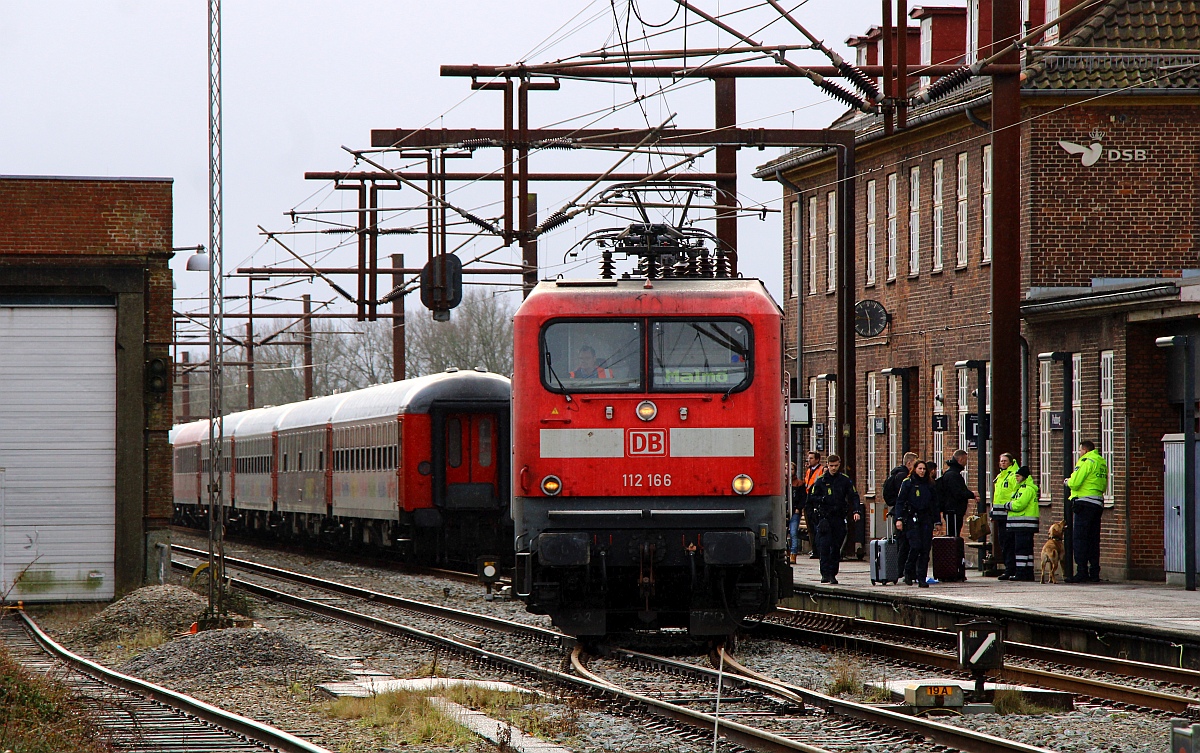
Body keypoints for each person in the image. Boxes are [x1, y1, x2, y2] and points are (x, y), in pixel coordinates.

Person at [808, 454, 863, 585]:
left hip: (838, 517)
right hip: (825, 518)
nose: (833, 468)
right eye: (831, 466)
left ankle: (833, 573)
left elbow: (854, 496)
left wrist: (856, 511)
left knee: (836, 547)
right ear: (827, 465)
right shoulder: (820, 481)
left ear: (839, 465)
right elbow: (811, 499)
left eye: (836, 466)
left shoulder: (844, 480)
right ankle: (825, 573)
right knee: (824, 546)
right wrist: (821, 501)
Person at [1063, 440, 1109, 583]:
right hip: (1098, 502)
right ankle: (1094, 572)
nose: (1079, 453)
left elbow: (1075, 482)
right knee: (1093, 539)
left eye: (1080, 451)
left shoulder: (1085, 461)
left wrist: (1067, 482)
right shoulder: (1101, 462)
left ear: (1084, 450)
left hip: (1084, 502)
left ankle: (1081, 571)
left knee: (1080, 538)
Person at [894, 459, 937, 587]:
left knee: (925, 549)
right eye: (920, 469)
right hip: (911, 518)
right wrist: (899, 518)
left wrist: (937, 521)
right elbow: (900, 502)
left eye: (924, 469)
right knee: (915, 546)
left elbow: (935, 504)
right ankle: (908, 570)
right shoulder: (908, 483)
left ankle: (921, 577)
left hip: (926, 518)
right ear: (915, 469)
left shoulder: (930, 484)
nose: (922, 471)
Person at [998, 465, 1039, 581]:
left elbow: (1019, 504)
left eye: (1018, 476)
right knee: (1027, 550)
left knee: (1021, 549)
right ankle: (1028, 572)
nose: (1016, 478)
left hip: (1024, 524)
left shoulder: (1026, 489)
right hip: (1022, 524)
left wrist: (1007, 505)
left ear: (1024, 477)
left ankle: (1021, 573)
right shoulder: (1021, 488)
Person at [883, 452, 919, 569]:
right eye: (915, 464)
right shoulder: (903, 477)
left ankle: (900, 569)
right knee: (904, 543)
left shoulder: (896, 474)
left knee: (902, 542)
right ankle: (900, 569)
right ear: (909, 463)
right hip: (903, 514)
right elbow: (902, 498)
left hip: (899, 513)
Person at [935, 449, 977, 538]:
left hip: (953, 510)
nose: (966, 463)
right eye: (965, 460)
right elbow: (958, 492)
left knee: (954, 534)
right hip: (952, 511)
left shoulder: (952, 474)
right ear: (960, 459)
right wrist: (972, 495)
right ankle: (952, 551)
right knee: (953, 535)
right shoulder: (953, 475)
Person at [991, 452, 1019, 578]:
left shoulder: (1013, 475)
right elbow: (997, 496)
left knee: (1009, 543)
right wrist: (993, 512)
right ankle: (1008, 568)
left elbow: (1015, 493)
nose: (1002, 463)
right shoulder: (1000, 476)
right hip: (1000, 515)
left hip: (1009, 514)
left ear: (1011, 462)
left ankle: (1010, 569)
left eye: (1005, 461)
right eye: (1001, 461)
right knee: (1003, 542)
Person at [802, 451, 823, 559]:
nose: (808, 460)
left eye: (811, 458)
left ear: (817, 460)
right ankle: (814, 549)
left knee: (817, 527)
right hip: (809, 501)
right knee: (811, 528)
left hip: (815, 502)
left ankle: (818, 550)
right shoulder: (809, 471)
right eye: (808, 458)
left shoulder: (821, 470)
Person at [788, 462, 805, 564]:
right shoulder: (781, 483)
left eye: (791, 469)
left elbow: (803, 498)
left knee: (793, 532)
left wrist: (798, 508)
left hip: (794, 511)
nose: (789, 472)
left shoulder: (799, 484)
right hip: (784, 511)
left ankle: (793, 553)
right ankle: (786, 551)